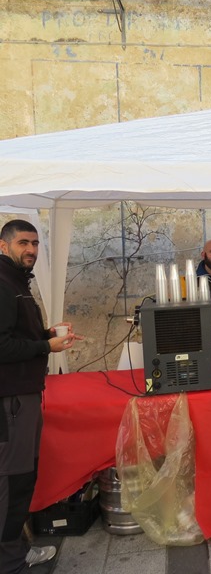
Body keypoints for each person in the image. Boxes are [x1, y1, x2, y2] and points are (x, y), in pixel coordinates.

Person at [0, 219, 82, 574]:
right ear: (3, 245)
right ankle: (10, 562)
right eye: (23, 243)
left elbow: (16, 334)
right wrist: (46, 346)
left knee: (21, 478)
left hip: (24, 394)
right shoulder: (3, 284)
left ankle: (15, 553)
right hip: (12, 399)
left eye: (35, 243)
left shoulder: (17, 281)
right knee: (13, 481)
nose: (31, 249)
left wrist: (47, 334)